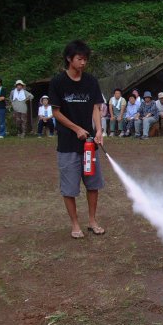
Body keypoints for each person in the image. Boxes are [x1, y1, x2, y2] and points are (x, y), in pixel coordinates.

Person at [49, 39, 105, 239]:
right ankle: (75, 224)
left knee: (93, 184)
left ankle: (92, 221)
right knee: (70, 188)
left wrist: (99, 131)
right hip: (67, 145)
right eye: (79, 59)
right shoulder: (58, 82)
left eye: (85, 59)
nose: (83, 63)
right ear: (69, 59)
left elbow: (96, 107)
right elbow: (56, 112)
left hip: (89, 144)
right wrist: (76, 129)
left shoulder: (91, 81)